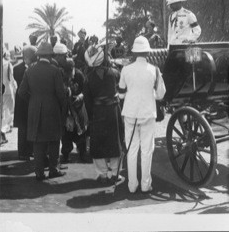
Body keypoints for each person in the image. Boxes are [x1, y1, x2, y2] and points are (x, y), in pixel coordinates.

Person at [118, 36, 166, 193]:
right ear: (147, 53)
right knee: (147, 151)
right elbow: (160, 95)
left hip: (131, 114)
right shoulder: (155, 70)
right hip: (148, 114)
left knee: (131, 150)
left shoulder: (125, 70)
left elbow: (121, 94)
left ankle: (132, 186)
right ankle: (146, 185)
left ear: (134, 53)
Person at [18, 42, 67, 181]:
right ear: (50, 56)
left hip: (34, 109)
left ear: (38, 56)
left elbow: (21, 92)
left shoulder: (29, 70)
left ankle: (39, 172)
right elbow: (61, 94)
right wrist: (63, 107)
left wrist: (33, 100)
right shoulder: (55, 70)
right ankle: (53, 170)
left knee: (38, 142)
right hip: (52, 109)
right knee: (54, 140)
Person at [83, 40, 124, 184]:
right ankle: (115, 173)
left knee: (98, 143)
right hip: (113, 110)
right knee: (115, 142)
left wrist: (91, 115)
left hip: (97, 111)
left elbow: (87, 100)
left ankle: (102, 174)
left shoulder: (88, 78)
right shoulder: (114, 73)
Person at [61, 58, 88, 163]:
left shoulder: (79, 75)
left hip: (79, 108)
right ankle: (66, 154)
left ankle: (82, 154)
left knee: (81, 133)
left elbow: (85, 90)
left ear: (73, 68)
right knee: (66, 134)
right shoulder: (62, 76)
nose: (70, 75)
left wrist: (80, 96)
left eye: (71, 71)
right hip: (67, 109)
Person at [13, 45, 37, 160]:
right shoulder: (19, 69)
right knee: (23, 128)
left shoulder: (17, 68)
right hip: (24, 100)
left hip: (25, 100)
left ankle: (29, 150)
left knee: (28, 126)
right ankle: (23, 152)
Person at [1, 50, 17, 136]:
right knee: (10, 110)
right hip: (8, 89)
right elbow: (11, 78)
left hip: (2, 90)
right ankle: (7, 126)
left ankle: (5, 126)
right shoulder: (8, 64)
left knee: (3, 109)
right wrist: (15, 87)